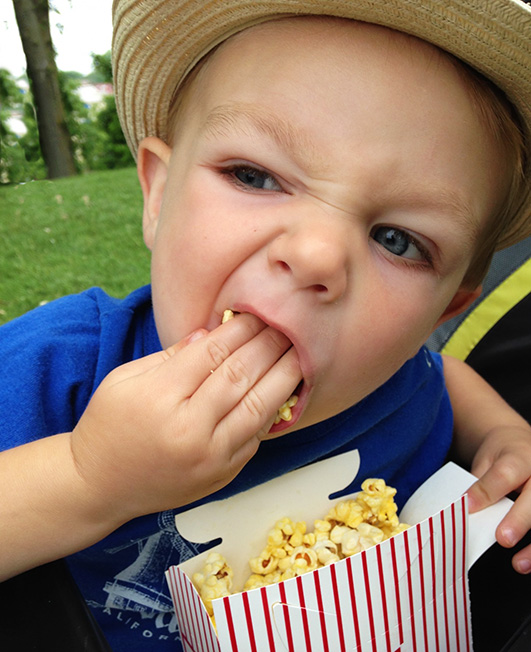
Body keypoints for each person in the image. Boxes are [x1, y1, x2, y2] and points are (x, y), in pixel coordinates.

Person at [0, 0, 530, 649]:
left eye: (396, 239)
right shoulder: (58, 369)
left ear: (442, 311)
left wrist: (502, 431)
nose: (315, 255)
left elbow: (432, 371)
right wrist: (89, 477)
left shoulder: (393, 380)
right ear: (159, 196)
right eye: (253, 176)